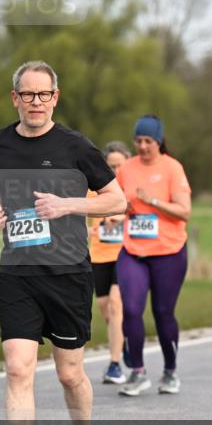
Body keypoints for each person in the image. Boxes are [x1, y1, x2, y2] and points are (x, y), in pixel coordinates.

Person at [0, 60, 126, 425]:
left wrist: (67, 205)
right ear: (15, 98)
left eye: (43, 94)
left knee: (69, 373)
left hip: (67, 273)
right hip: (18, 271)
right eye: (28, 94)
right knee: (17, 368)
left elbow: (117, 201)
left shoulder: (76, 147)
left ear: (55, 98)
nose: (36, 102)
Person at [115, 116, 192, 397]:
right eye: (138, 141)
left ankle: (170, 370)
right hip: (133, 251)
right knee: (132, 309)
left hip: (168, 252)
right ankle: (137, 371)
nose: (143, 146)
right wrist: (119, 212)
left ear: (158, 141)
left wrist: (152, 202)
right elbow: (117, 200)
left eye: (148, 141)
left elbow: (184, 210)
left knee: (162, 312)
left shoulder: (172, 168)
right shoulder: (126, 168)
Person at [90, 141, 131, 384]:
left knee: (116, 304)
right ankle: (121, 341)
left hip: (127, 253)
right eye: (111, 166)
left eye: (120, 166)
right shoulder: (94, 189)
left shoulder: (133, 188)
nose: (116, 171)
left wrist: (122, 216)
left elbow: (145, 215)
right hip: (100, 255)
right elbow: (81, 212)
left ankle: (115, 365)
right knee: (105, 308)